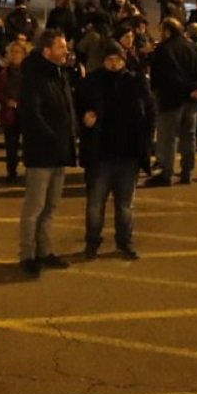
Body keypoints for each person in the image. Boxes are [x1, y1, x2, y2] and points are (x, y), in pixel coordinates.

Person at [78, 39, 153, 259]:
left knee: (125, 206)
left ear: (124, 60)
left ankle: (125, 242)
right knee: (95, 205)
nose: (113, 63)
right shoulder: (92, 82)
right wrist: (85, 118)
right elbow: (79, 106)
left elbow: (149, 113)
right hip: (100, 154)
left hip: (128, 155)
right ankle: (92, 243)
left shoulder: (135, 82)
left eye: (117, 59)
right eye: (109, 59)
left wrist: (147, 144)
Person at [18, 29, 76, 276]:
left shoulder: (59, 74)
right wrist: (53, 138)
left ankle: (45, 250)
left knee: (51, 206)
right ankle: (28, 255)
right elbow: (32, 114)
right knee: (34, 208)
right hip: (41, 153)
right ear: (47, 51)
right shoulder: (34, 77)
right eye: (61, 47)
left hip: (59, 151)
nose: (66, 51)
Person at [147, 18, 197, 186]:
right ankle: (187, 172)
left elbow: (166, 77)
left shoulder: (164, 50)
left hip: (171, 99)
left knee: (168, 137)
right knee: (189, 136)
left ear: (167, 31)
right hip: (192, 100)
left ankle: (166, 173)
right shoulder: (194, 48)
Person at [0, 39, 27, 182]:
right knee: (11, 145)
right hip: (10, 114)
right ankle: (11, 172)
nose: (15, 55)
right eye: (13, 52)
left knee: (28, 145)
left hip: (26, 113)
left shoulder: (29, 72)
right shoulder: (5, 73)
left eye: (18, 52)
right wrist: (7, 101)